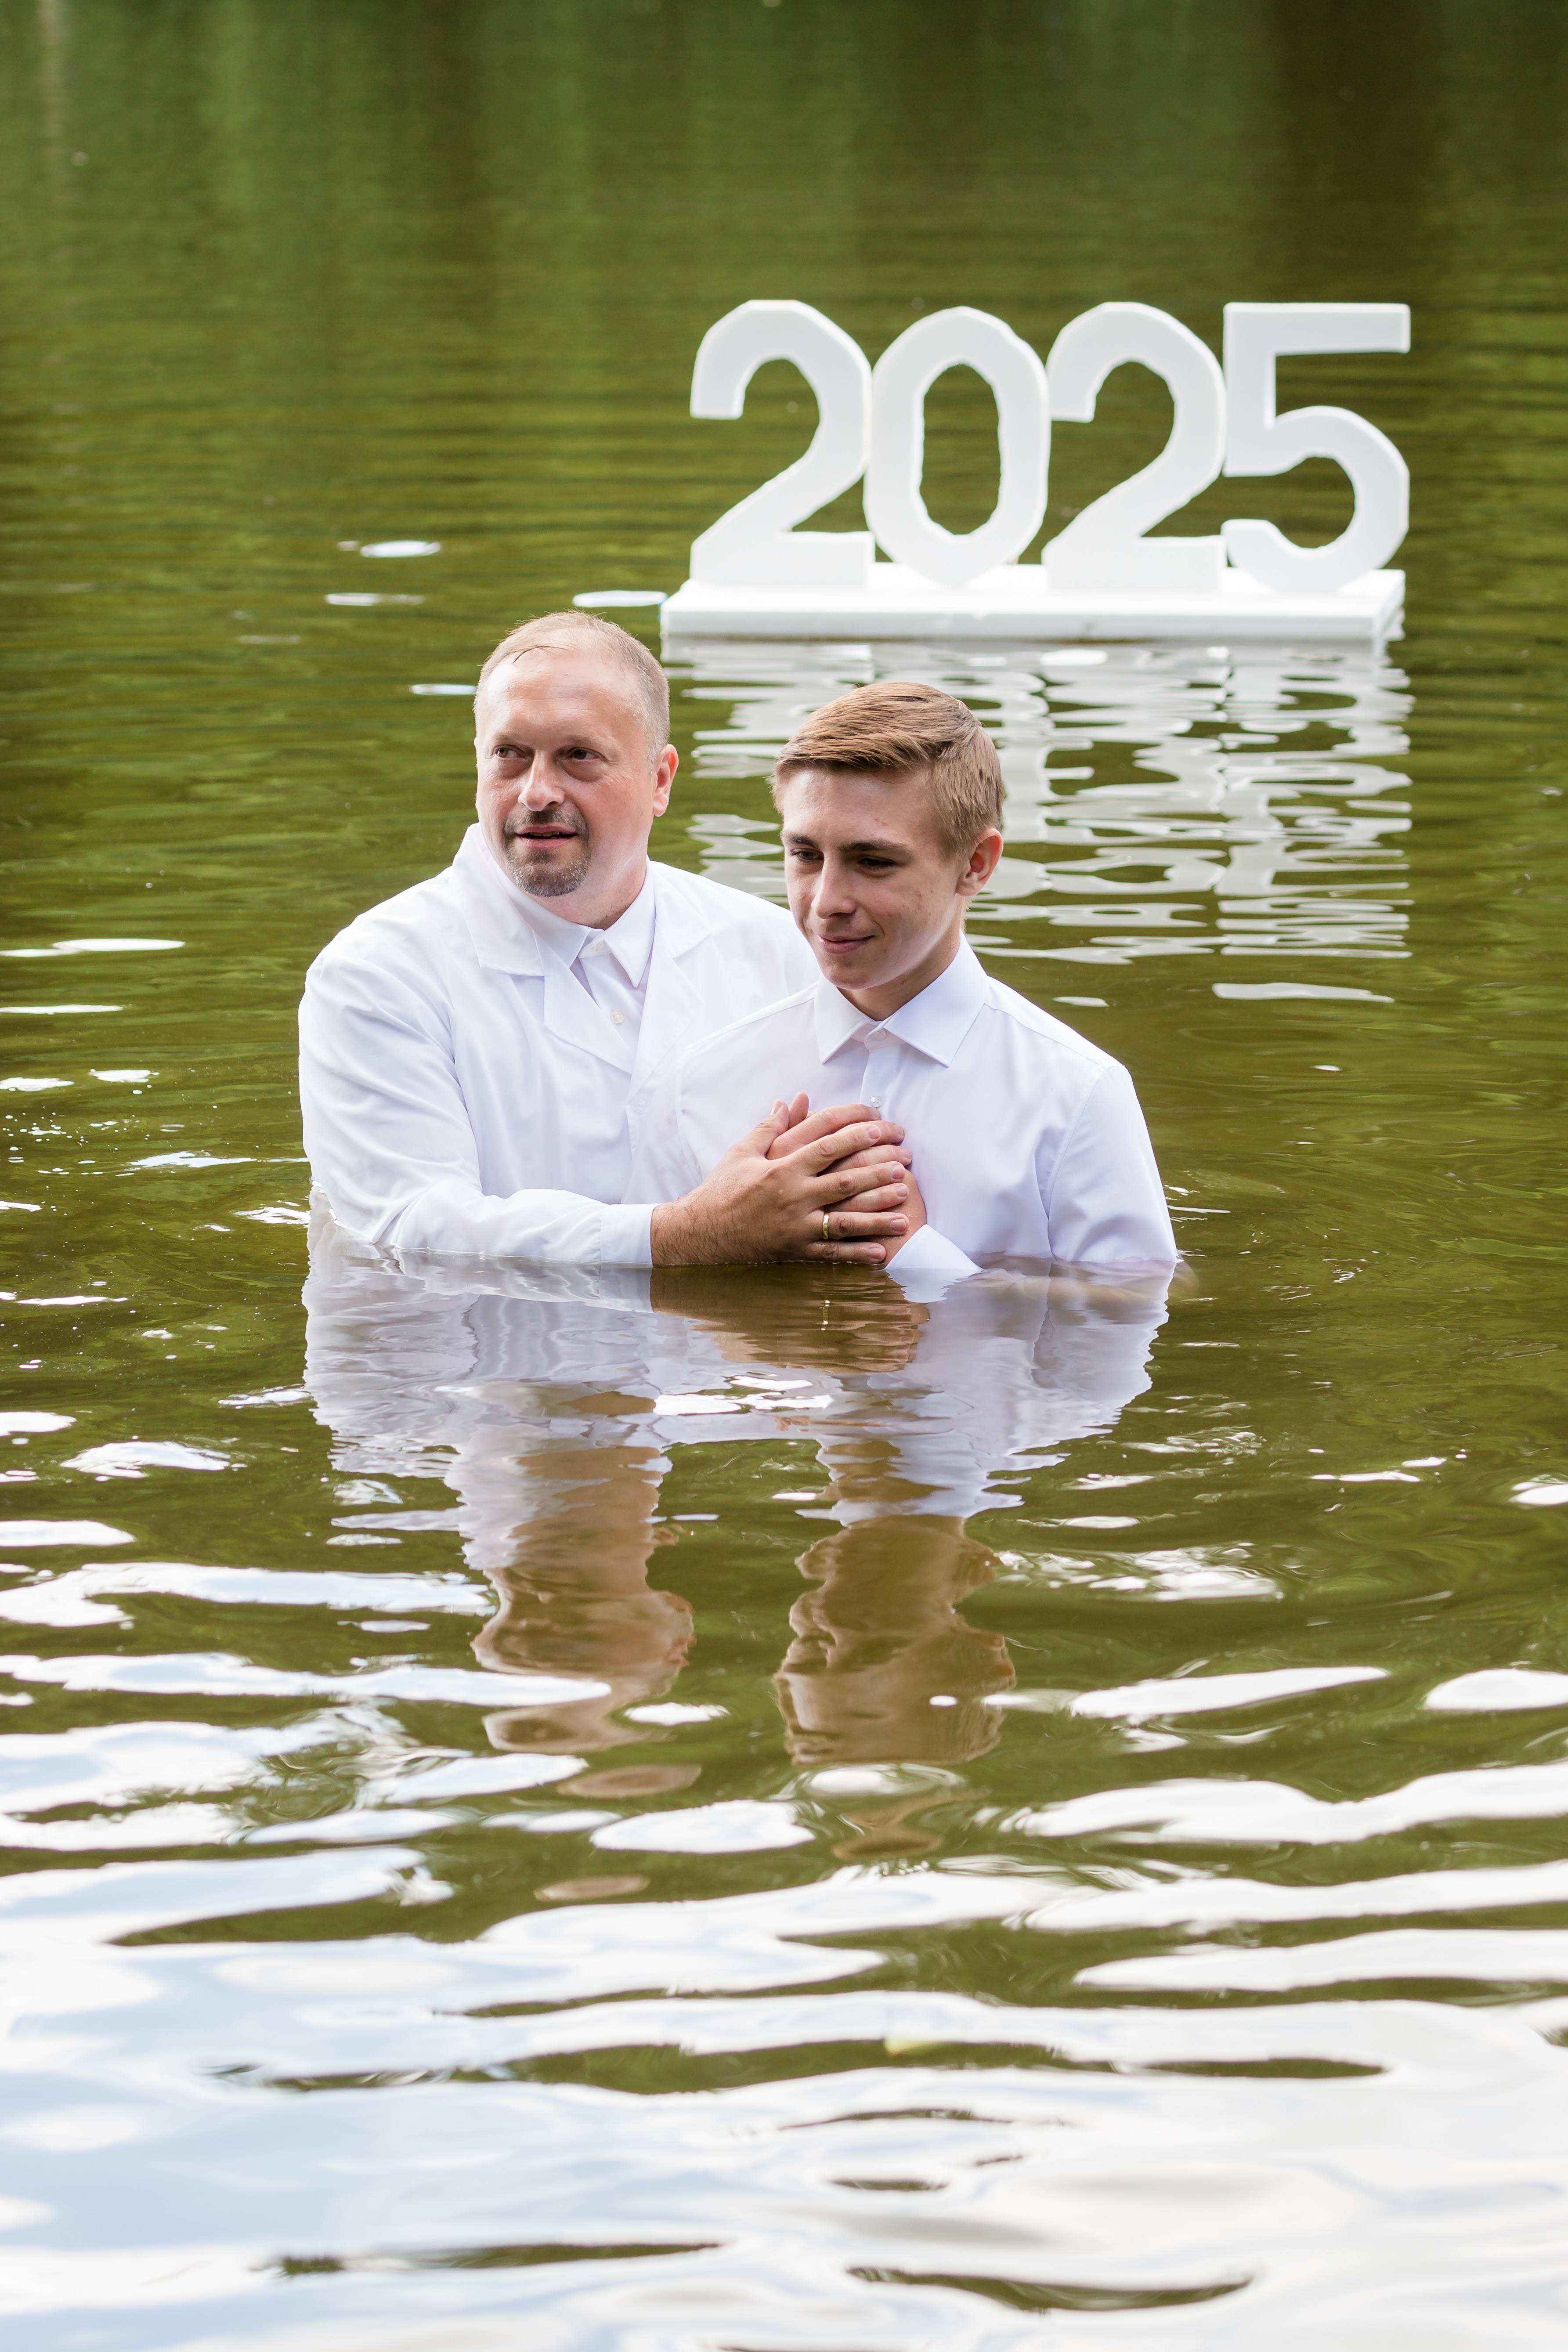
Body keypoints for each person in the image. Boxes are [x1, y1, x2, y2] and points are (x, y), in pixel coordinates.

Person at [299, 610, 916, 1271]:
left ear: (660, 781)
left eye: (578, 756)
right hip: (488, 1339)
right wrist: (684, 1236)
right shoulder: (377, 974)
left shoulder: (775, 950)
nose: (537, 792)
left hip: (727, 1338)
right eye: (510, 755)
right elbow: (409, 1226)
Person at [629, 680, 1179, 1288]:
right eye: (805, 855)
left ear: (975, 864)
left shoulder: (1075, 1095)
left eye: (873, 862)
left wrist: (915, 1258)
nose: (826, 901)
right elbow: (636, 1311)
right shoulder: (698, 1082)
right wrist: (710, 1236)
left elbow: (1131, 1309)